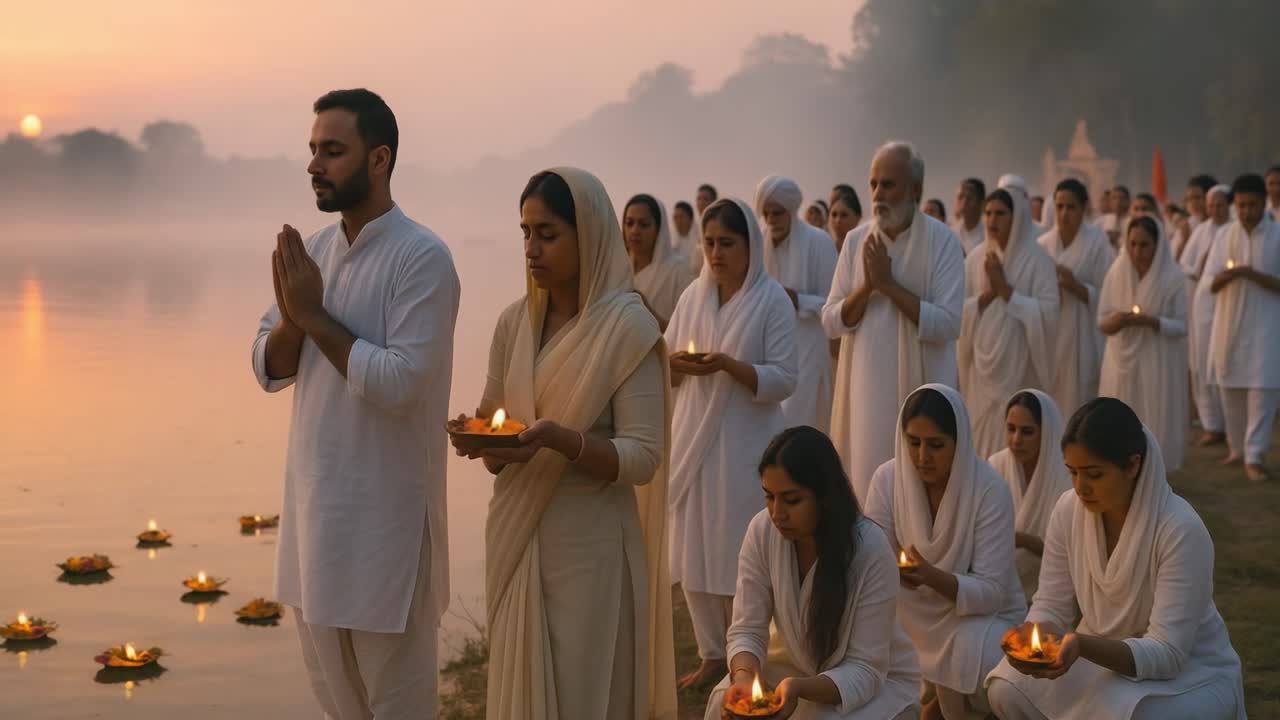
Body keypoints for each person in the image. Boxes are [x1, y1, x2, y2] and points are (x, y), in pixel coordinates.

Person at [250, 88, 460, 719]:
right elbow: (268, 364)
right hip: (316, 524)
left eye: (333, 151)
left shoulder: (422, 257)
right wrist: (295, 318)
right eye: (313, 150)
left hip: (386, 535)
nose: (315, 164)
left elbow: (401, 384)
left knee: (397, 707)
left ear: (379, 159)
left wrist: (311, 313)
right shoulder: (311, 252)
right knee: (338, 706)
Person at [453, 168, 677, 719]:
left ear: (591, 235)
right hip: (518, 537)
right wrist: (481, 441)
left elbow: (643, 458)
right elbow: (497, 435)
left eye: (547, 234)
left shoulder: (629, 330)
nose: (532, 249)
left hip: (592, 552)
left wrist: (562, 441)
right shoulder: (513, 324)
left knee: (584, 695)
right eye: (525, 233)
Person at [986, 398, 1246, 720]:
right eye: (1073, 472)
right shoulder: (1068, 510)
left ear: (1133, 465)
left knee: (1128, 714)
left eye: (1094, 474)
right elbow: (1051, 603)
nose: (1081, 487)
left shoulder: (1180, 529)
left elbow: (1168, 654)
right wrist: (1031, 639)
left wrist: (1081, 644)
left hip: (1190, 674)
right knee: (1006, 687)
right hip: (1095, 657)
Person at [666, 197, 798, 689]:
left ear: (750, 246)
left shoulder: (771, 301)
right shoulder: (693, 297)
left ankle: (749, 647)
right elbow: (667, 362)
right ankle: (711, 654)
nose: (716, 253)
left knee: (741, 546)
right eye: (710, 243)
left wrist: (728, 366)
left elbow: (786, 378)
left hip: (747, 441)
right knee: (697, 545)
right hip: (694, 437)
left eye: (727, 243)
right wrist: (679, 364)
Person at [704, 427, 921, 720]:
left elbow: (866, 668)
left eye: (792, 500)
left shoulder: (870, 549)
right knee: (723, 701)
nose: (777, 513)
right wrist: (744, 677)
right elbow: (747, 629)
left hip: (872, 683)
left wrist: (800, 689)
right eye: (769, 497)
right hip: (792, 669)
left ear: (825, 497)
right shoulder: (762, 531)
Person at [864, 386, 1025, 720]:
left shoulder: (988, 489)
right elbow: (872, 563)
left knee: (977, 649)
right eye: (913, 442)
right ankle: (931, 697)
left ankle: (949, 702)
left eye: (936, 445)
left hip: (975, 617)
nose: (923, 456)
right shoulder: (886, 480)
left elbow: (993, 593)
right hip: (907, 610)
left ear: (959, 441)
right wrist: (896, 571)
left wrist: (932, 577)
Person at [822, 141, 965, 503]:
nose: (877, 194)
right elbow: (831, 320)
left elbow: (949, 323)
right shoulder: (856, 242)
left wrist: (888, 286)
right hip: (867, 392)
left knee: (924, 490)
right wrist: (868, 288)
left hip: (925, 390)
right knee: (869, 485)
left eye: (888, 185)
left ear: (915, 189)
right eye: (873, 184)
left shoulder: (943, 241)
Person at [959, 188, 1059, 459]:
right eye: (988, 213)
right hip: (981, 368)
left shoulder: (1037, 260)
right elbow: (960, 311)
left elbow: (1050, 313)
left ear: (1017, 217)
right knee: (980, 442)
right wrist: (990, 294)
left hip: (1022, 366)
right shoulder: (976, 258)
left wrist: (1008, 292)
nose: (992, 220)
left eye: (1000, 213)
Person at [1205, 173, 1280, 483]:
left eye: (1251, 204)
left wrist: (1252, 275)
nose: (1246, 211)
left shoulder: (1277, 235)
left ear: (1264, 202)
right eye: (1241, 205)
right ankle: (1237, 449)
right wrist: (1230, 275)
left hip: (1266, 325)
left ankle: (1255, 455)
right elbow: (1211, 282)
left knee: (1262, 389)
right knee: (1231, 386)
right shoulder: (1225, 236)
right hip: (1230, 324)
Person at [1098, 215, 1188, 471]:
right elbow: (1101, 321)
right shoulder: (1117, 271)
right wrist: (1117, 321)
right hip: (1120, 359)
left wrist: (1153, 321)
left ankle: (1154, 471)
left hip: (1157, 359)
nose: (1137, 252)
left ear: (1157, 245)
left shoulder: (1172, 277)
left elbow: (1181, 326)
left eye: (1144, 245)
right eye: (1133, 244)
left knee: (1153, 414)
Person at [757, 175, 840, 431]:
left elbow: (833, 303)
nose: (771, 220)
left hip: (809, 349)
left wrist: (797, 300)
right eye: (767, 213)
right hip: (767, 350)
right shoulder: (758, 242)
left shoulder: (820, 242)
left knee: (801, 423)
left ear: (791, 211)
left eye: (777, 213)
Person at [1038, 179, 1115, 416]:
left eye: (1071, 207)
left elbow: (1110, 295)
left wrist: (1076, 286)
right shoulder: (1042, 245)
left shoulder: (1098, 242)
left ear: (1084, 209)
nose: (1064, 214)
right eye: (1059, 207)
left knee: (1082, 398)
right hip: (1051, 334)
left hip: (1084, 334)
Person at [987, 390, 1070, 600]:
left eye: (1027, 431)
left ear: (1047, 432)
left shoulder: (1065, 477)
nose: (1016, 440)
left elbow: (1070, 553)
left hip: (1052, 589)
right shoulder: (995, 466)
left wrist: (1022, 540)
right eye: (1011, 429)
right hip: (997, 583)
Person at [1182, 184, 1231, 447]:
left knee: (1224, 362)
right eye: (1211, 205)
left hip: (1229, 305)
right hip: (1202, 305)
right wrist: (1198, 267)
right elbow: (1185, 264)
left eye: (1220, 204)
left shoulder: (1233, 232)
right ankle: (1211, 424)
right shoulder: (1201, 230)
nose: (1214, 209)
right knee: (1201, 364)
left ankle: (1229, 424)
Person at [624, 194, 695, 330]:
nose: (634, 231)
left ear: (659, 229)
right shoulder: (616, 270)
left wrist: (648, 313)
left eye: (643, 224)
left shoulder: (679, 272)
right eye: (629, 223)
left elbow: (689, 329)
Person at [951, 177, 987, 255]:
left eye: (969, 198)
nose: (964, 203)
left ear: (982, 203)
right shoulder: (952, 232)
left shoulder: (989, 232)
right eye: (960, 197)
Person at [672, 199, 704, 276]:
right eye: (675, 217)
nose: (678, 221)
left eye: (681, 217)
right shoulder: (671, 243)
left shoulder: (701, 240)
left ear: (690, 219)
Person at [828, 185, 863, 254]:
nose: (838, 220)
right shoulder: (824, 247)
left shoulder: (864, 249)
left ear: (858, 217)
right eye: (834, 215)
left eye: (844, 215)